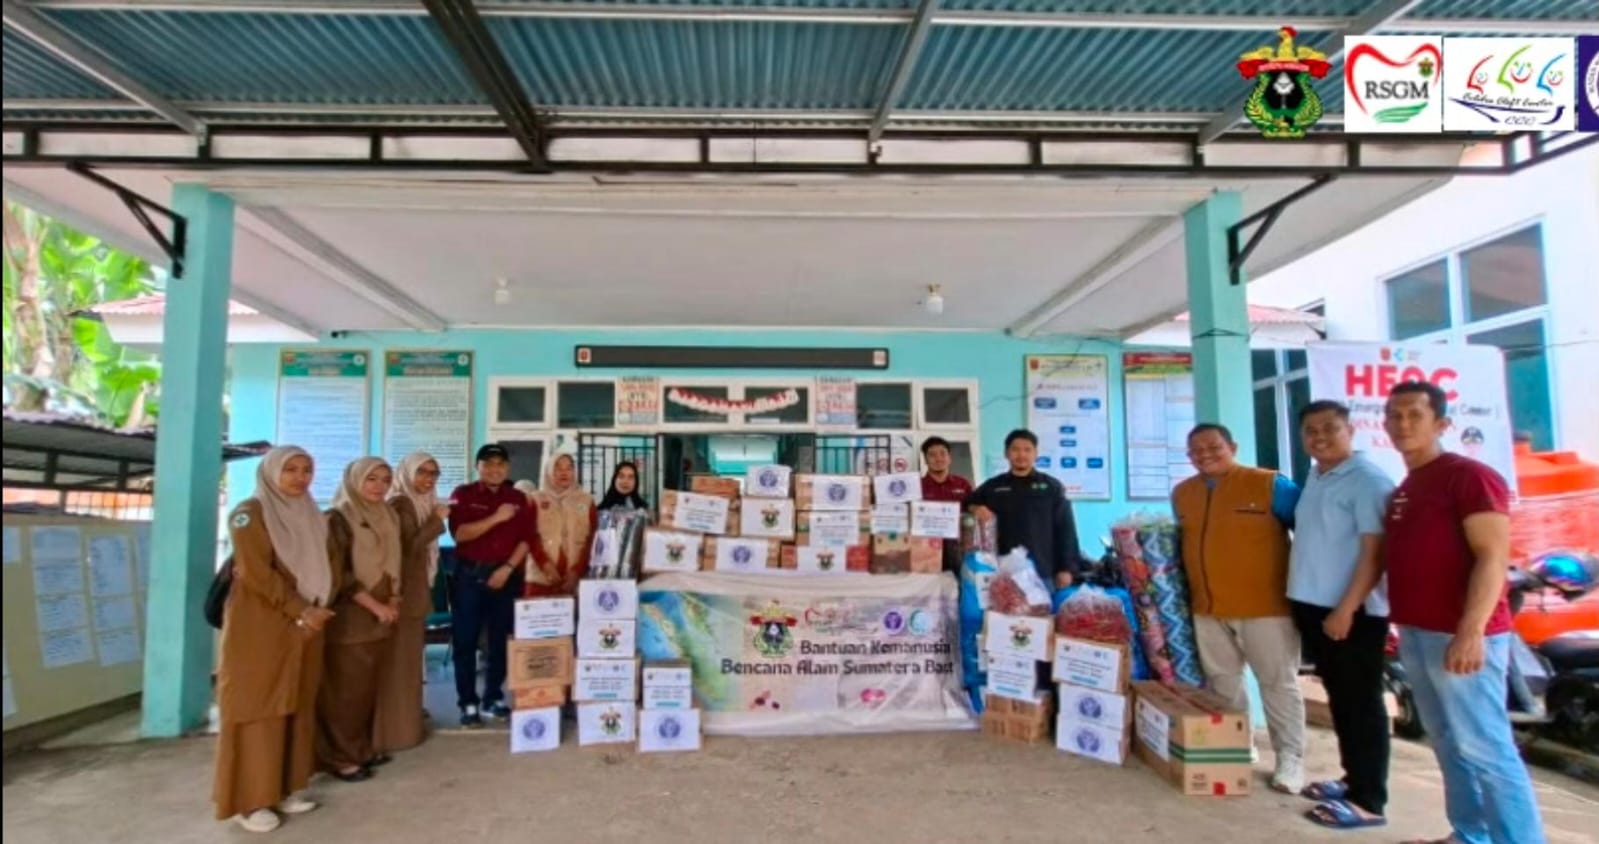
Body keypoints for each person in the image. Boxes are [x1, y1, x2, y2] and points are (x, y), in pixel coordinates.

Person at [1381, 381, 1545, 844]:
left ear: (1442, 424)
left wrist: (1470, 631)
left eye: (1415, 414)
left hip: (1462, 636)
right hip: (1418, 632)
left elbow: (1492, 558)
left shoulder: (1468, 477)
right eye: (1395, 415)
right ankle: (1470, 834)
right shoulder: (1408, 487)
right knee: (1450, 743)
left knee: (1486, 747)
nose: (1403, 424)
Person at [1171, 423, 1306, 794]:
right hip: (1208, 606)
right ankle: (1238, 744)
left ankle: (1290, 759)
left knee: (1278, 683)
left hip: (1266, 606)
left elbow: (1309, 534)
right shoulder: (1183, 494)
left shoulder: (1270, 485)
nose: (1205, 454)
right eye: (1196, 450)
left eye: (1213, 447)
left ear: (1233, 445)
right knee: (1224, 683)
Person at [213, 446, 335, 834]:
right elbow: (257, 573)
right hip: (263, 625)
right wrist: (301, 608)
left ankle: (283, 787)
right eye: (291, 470)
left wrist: (316, 607)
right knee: (258, 706)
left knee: (295, 702)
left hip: (306, 624)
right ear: (270, 474)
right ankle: (247, 801)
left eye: (306, 470)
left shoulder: (310, 514)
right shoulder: (250, 513)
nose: (300, 478)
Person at [1287, 401, 1394, 830]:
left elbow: (1376, 552)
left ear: (1351, 430)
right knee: (1342, 700)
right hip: (1316, 606)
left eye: (1330, 429)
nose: (1320, 437)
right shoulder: (1317, 475)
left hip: (1352, 612)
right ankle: (1353, 781)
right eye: (1311, 431)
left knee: (1361, 704)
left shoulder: (1368, 481)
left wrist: (1346, 608)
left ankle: (1369, 800)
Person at [316, 457, 401, 782]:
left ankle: (361, 749)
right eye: (371, 479)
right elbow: (341, 574)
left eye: (384, 479)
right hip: (352, 614)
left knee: (366, 688)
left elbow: (394, 561)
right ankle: (341, 758)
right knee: (346, 691)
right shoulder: (337, 518)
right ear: (354, 481)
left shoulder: (387, 515)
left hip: (383, 608)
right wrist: (375, 607)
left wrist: (393, 597)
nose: (379, 486)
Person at [447, 443, 536, 727]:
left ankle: (492, 696)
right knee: (466, 641)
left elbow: (527, 539)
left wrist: (508, 569)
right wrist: (497, 517)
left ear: (507, 467)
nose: (494, 469)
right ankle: (468, 703)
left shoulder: (519, 498)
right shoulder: (463, 495)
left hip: (505, 577)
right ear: (478, 467)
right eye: (488, 464)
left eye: (500, 464)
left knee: (500, 641)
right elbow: (460, 534)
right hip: (469, 578)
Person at [373, 452, 449, 755]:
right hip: (402, 592)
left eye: (433, 473)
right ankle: (399, 725)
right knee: (401, 662)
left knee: (409, 660)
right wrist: (437, 520)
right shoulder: (401, 503)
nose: (428, 479)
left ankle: (408, 717)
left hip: (416, 590)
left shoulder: (421, 503)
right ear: (406, 473)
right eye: (422, 473)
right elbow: (410, 546)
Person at [965, 429, 1083, 588]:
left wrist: (1067, 569)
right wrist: (975, 508)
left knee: (1041, 613)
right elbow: (966, 502)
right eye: (1015, 449)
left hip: (1042, 572)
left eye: (1027, 450)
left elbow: (1066, 530)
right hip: (1002, 571)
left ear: (1036, 453)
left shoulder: (1051, 487)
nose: (1021, 455)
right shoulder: (994, 487)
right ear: (1006, 453)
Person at [525, 453, 597, 597]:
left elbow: (593, 539)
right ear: (549, 471)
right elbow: (529, 535)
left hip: (574, 580)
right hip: (539, 579)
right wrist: (545, 566)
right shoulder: (535, 499)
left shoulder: (586, 500)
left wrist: (577, 571)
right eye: (558, 468)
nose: (564, 473)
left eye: (569, 468)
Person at [919, 436, 974, 573]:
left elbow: (971, 514)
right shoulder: (916, 486)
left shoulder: (963, 484)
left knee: (958, 586)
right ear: (925, 460)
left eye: (942, 453)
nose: (938, 459)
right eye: (932, 455)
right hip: (925, 547)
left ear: (950, 458)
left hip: (957, 548)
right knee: (928, 588)